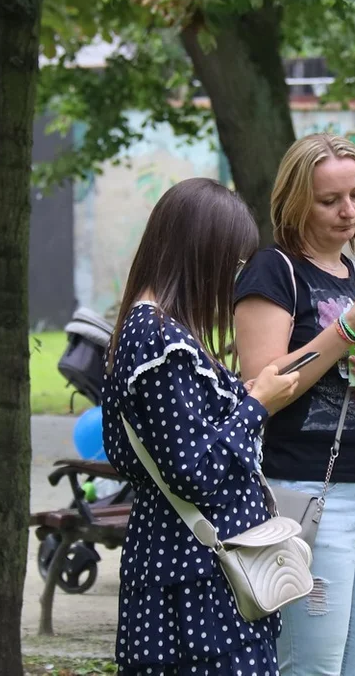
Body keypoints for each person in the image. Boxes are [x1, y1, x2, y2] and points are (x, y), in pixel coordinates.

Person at [233, 133, 355, 675]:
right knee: (312, 668)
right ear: (295, 202)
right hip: (314, 494)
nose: (348, 211)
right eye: (329, 200)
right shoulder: (273, 271)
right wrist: (346, 329)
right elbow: (263, 387)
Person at [101, 178, 301, 676]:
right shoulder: (156, 338)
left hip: (198, 570)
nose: (235, 279)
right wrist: (257, 403)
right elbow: (193, 472)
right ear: (200, 254)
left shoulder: (155, 331)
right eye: (234, 264)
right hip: (194, 582)